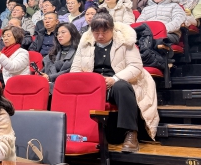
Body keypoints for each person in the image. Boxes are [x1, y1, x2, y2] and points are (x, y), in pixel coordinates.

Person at [71, 11, 159, 152]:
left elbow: (136, 66)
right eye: (96, 32)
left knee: (121, 87)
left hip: (118, 80)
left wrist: (114, 79)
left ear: (112, 29)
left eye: (104, 32)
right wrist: (91, 82)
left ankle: (131, 133)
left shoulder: (125, 40)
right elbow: (75, 70)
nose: (100, 36)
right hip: (93, 85)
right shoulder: (85, 43)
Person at [41, 23, 80, 92]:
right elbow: (45, 69)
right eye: (58, 33)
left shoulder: (79, 52)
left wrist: (50, 77)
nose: (59, 35)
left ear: (72, 33)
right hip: (50, 85)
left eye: (63, 32)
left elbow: (71, 71)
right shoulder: (53, 52)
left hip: (70, 85)